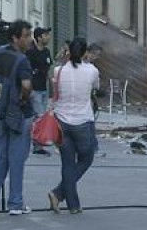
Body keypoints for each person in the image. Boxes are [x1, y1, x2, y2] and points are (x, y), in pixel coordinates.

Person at [0, 20, 34, 216]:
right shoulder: (22, 60)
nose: (29, 39)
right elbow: (26, 86)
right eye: (26, 36)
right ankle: (15, 203)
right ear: (15, 37)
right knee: (17, 159)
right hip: (18, 112)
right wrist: (24, 99)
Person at [47, 38, 100, 215]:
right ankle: (58, 194)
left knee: (67, 163)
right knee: (86, 158)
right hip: (83, 121)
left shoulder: (58, 71)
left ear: (68, 51)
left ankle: (71, 204)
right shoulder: (92, 71)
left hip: (61, 122)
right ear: (85, 53)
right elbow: (96, 88)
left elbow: (55, 91)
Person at [26, 27, 54, 155]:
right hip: (34, 89)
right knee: (40, 116)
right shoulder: (31, 53)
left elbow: (48, 70)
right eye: (45, 35)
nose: (48, 37)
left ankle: (33, 140)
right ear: (38, 38)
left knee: (37, 117)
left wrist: (52, 88)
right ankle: (37, 144)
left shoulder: (47, 52)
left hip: (44, 88)